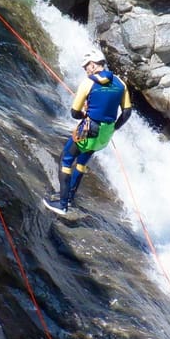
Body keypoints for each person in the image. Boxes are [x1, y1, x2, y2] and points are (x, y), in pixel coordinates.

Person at [43, 49, 132, 216]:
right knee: (82, 162)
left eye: (86, 67)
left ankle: (62, 204)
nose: (85, 70)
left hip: (89, 129)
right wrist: (114, 127)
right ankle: (69, 198)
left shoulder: (88, 83)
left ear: (93, 65)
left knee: (66, 159)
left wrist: (85, 115)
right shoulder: (121, 83)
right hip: (105, 134)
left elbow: (74, 112)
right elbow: (127, 112)